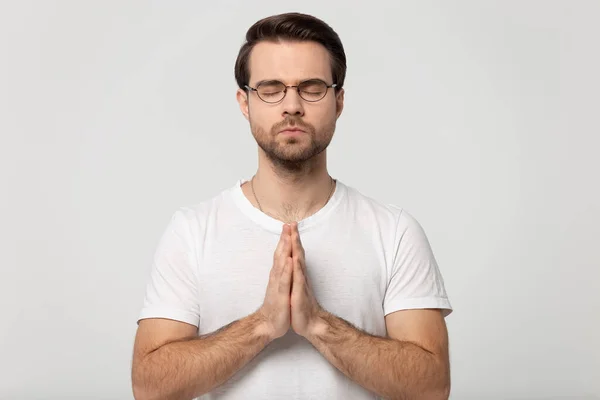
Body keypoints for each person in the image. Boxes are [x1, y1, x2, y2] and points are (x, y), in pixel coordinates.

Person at [131, 12, 452, 400]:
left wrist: (318, 324)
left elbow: (432, 386)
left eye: (312, 87)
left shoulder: (395, 231)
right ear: (245, 103)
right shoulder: (192, 231)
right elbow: (148, 386)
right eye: (271, 88)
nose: (292, 105)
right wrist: (262, 324)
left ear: (339, 101)